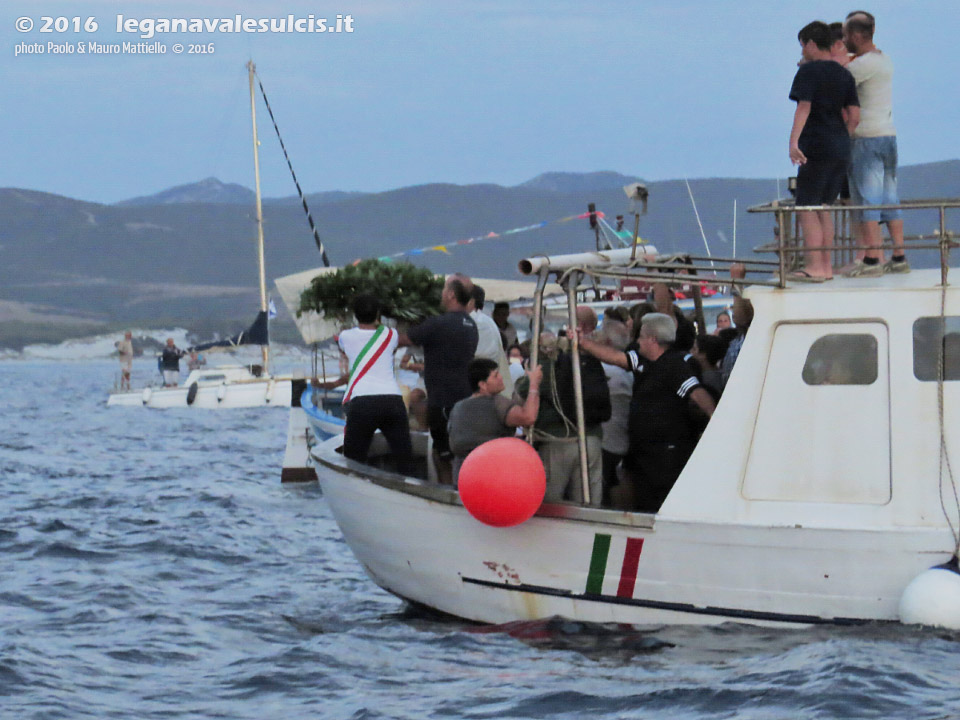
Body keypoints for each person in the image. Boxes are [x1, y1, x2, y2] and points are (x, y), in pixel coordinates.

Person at [579, 313, 715, 513]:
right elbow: (616, 358)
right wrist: (584, 343)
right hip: (643, 451)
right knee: (642, 499)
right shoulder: (642, 360)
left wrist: (715, 421)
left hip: (666, 454)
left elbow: (697, 393)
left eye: (641, 336)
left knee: (659, 501)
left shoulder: (675, 366)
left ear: (652, 339)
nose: (638, 340)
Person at [788, 20, 860, 282]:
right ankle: (826, 265)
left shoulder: (808, 72)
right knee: (824, 206)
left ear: (809, 44)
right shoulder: (845, 73)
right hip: (840, 145)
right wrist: (842, 138)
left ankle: (815, 266)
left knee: (806, 207)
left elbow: (803, 108)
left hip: (816, 145)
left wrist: (793, 142)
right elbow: (854, 115)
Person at [517, 307, 610, 507]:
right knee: (590, 505)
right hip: (591, 439)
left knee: (550, 504)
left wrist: (528, 376)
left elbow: (521, 393)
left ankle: (554, 539)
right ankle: (591, 538)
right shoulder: (587, 361)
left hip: (558, 442)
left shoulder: (546, 368)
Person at [843, 10, 909, 277]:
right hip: (888, 135)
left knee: (867, 199)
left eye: (846, 35)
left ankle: (872, 258)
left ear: (857, 36)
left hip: (866, 138)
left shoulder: (861, 66)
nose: (844, 39)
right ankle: (899, 254)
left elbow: (839, 80)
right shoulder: (885, 60)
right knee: (889, 196)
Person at [399, 273, 479, 485]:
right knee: (461, 454)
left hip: (442, 401)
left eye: (444, 289)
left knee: (443, 456)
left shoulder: (438, 324)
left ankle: (449, 495)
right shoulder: (471, 325)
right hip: (466, 399)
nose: (441, 293)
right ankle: (463, 494)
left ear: (451, 294)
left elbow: (403, 339)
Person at [333, 294, 413, 473]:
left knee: (354, 458)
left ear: (355, 315)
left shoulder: (346, 336)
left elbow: (343, 347)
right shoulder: (390, 334)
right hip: (392, 400)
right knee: (404, 456)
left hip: (362, 401)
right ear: (378, 314)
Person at [447, 358, 542, 486]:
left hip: (462, 474)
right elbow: (528, 417)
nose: (501, 378)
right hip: (491, 475)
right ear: (482, 385)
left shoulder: (457, 407)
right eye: (495, 376)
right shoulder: (497, 403)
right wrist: (534, 385)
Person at [596, 319, 632, 507]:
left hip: (607, 441)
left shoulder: (605, 371)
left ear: (607, 342)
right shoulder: (629, 371)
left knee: (606, 488)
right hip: (623, 437)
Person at [469, 285, 514, 397]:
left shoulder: (478, 322)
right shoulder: (484, 320)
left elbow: (478, 359)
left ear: (471, 301)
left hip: (484, 391)